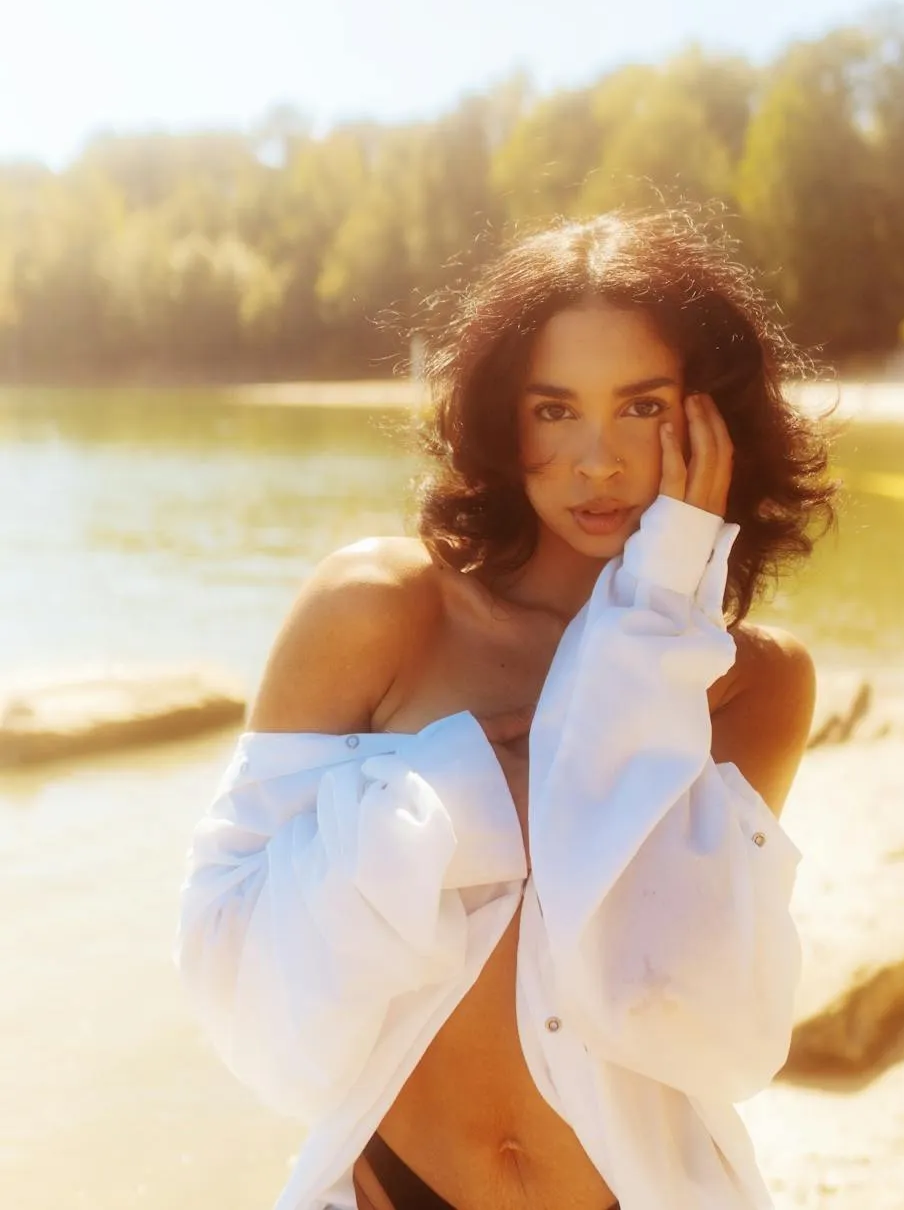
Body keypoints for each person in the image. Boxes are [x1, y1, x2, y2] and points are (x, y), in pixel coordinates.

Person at [175, 207, 838, 1210]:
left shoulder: (755, 685)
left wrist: (657, 613)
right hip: (389, 1183)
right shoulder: (381, 611)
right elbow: (221, 941)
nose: (598, 461)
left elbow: (680, 996)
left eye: (642, 407)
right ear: (502, 417)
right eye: (554, 409)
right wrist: (456, 794)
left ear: (710, 419)